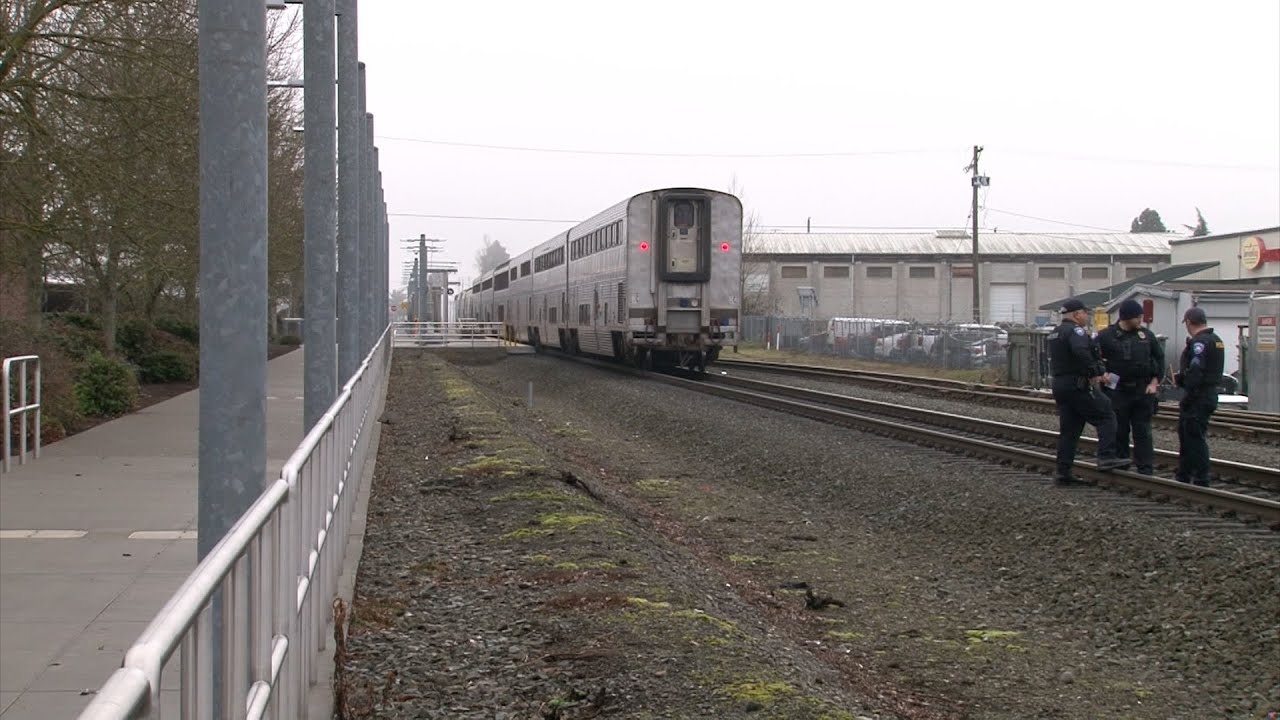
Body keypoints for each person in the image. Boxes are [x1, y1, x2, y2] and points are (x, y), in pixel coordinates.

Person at [1048, 298, 1129, 485]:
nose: (1087, 316)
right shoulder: (1075, 331)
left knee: (1070, 430)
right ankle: (1107, 456)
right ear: (1077, 314)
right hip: (1078, 384)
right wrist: (1098, 371)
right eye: (1085, 313)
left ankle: (1063, 471)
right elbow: (1080, 351)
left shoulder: (1055, 332)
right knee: (1106, 414)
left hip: (1061, 385)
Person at [1096, 299, 1165, 475]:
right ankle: (1121, 463)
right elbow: (1093, 357)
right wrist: (1100, 374)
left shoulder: (1146, 336)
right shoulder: (1106, 336)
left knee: (1143, 431)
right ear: (1127, 317)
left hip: (1142, 390)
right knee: (1119, 429)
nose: (1141, 319)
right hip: (1117, 390)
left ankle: (1145, 468)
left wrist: (1154, 382)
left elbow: (1159, 359)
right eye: (1138, 316)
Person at [1173, 307, 1224, 486]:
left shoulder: (1199, 343)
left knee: (1193, 436)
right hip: (1209, 393)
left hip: (1198, 395)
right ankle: (1184, 474)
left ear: (1188, 322)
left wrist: (1184, 382)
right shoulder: (1216, 340)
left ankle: (1201, 477)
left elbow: (1196, 370)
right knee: (1188, 434)